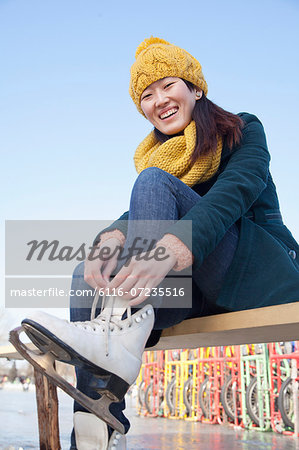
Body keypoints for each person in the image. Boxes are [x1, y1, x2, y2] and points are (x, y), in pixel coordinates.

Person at [20, 37, 299, 449]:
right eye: (146, 96)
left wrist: (171, 247)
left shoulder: (243, 129)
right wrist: (110, 237)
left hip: (253, 276)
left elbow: (233, 193)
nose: (159, 101)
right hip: (190, 292)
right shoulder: (162, 157)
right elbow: (135, 215)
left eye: (168, 85)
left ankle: (111, 349)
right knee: (86, 273)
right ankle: (97, 420)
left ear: (195, 88)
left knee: (152, 185)